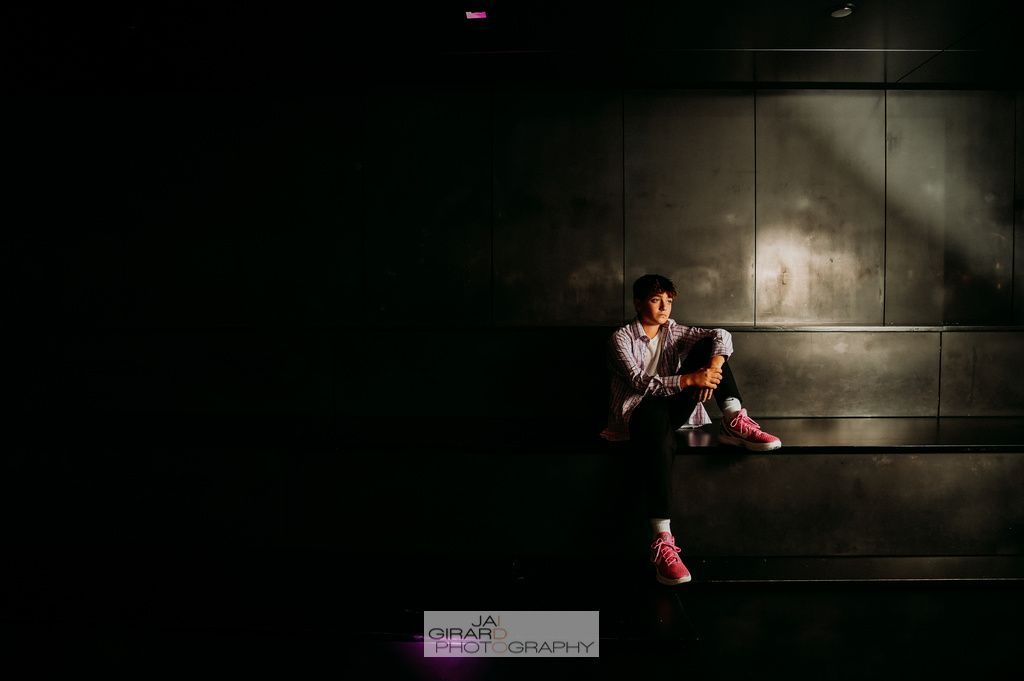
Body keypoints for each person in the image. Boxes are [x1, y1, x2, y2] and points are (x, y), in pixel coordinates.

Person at [600, 274, 782, 585]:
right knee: (659, 434)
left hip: (671, 409)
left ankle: (733, 418)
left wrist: (711, 369)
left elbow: (721, 334)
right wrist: (689, 380)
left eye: (668, 301)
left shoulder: (674, 331)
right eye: (657, 300)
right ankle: (663, 542)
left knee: (710, 349)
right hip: (638, 417)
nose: (664, 307)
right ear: (638, 302)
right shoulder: (620, 338)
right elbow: (640, 383)